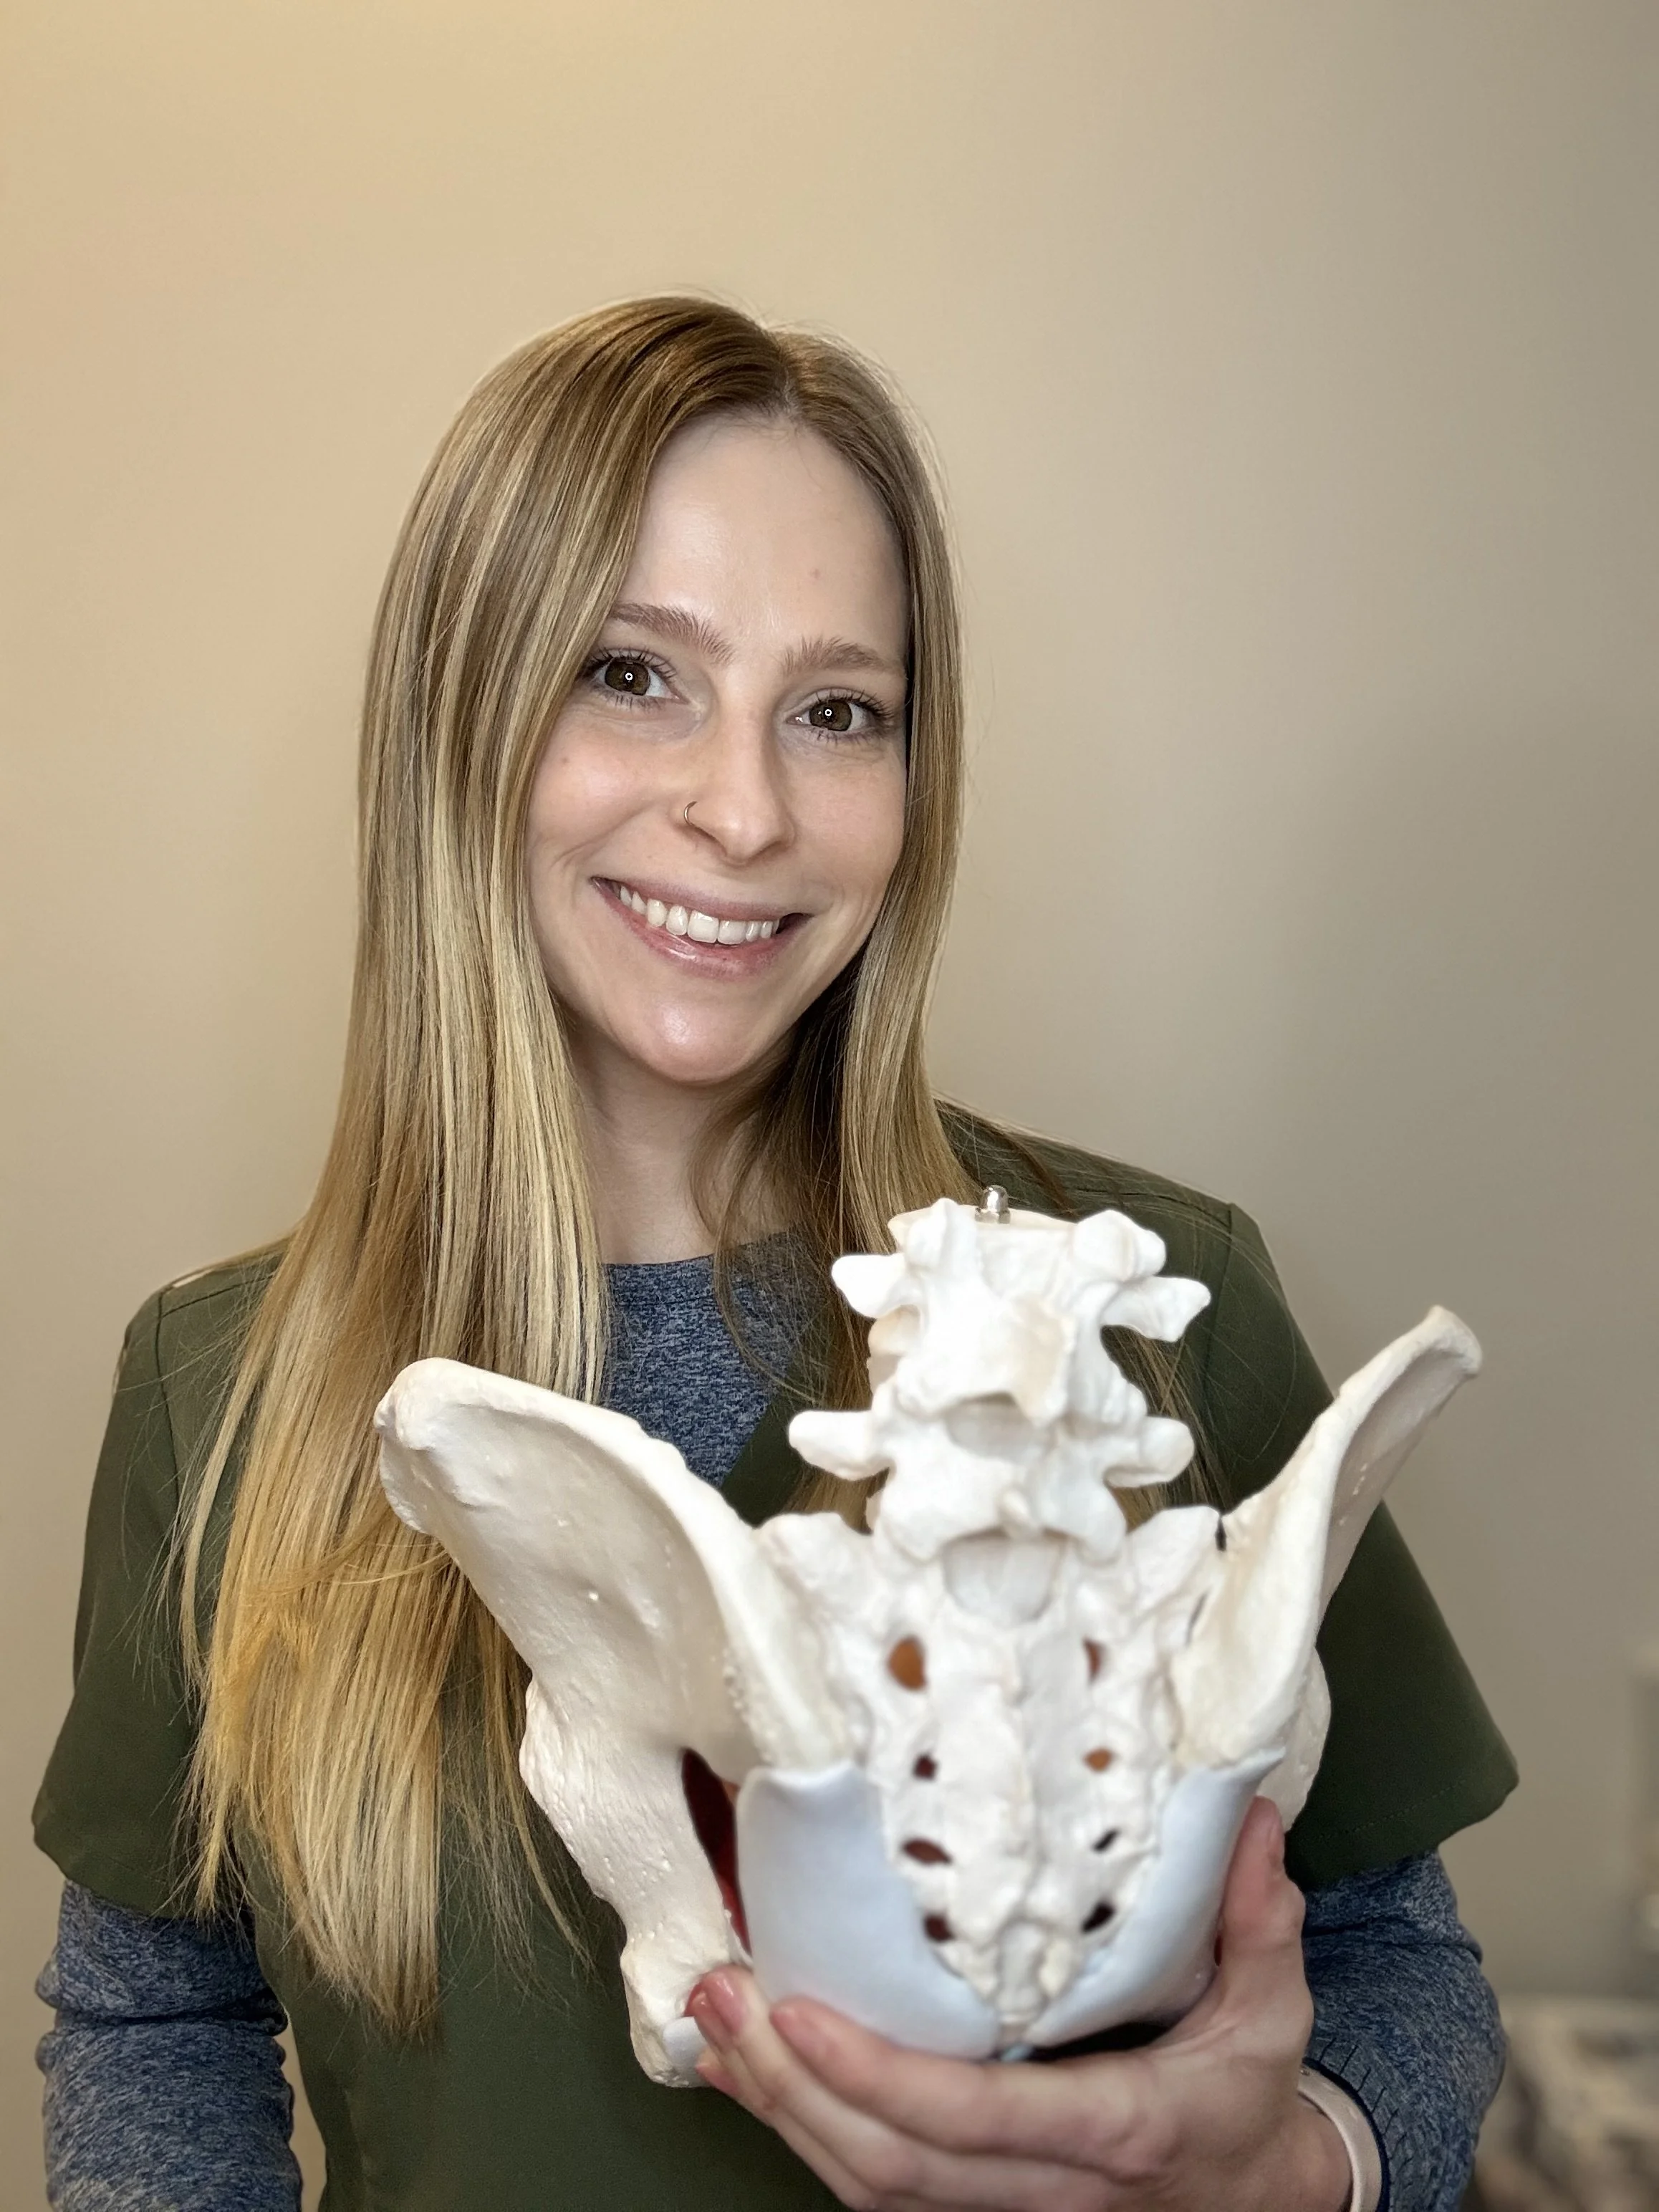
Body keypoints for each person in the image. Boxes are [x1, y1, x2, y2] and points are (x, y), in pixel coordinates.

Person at [34, 297, 1514, 2212]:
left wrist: (1295, 2164)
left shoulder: (1151, 1314)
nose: (742, 810)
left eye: (837, 711)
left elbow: (1401, 1960)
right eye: (631, 675)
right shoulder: (221, 1394)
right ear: (455, 721)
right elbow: (159, 2018)